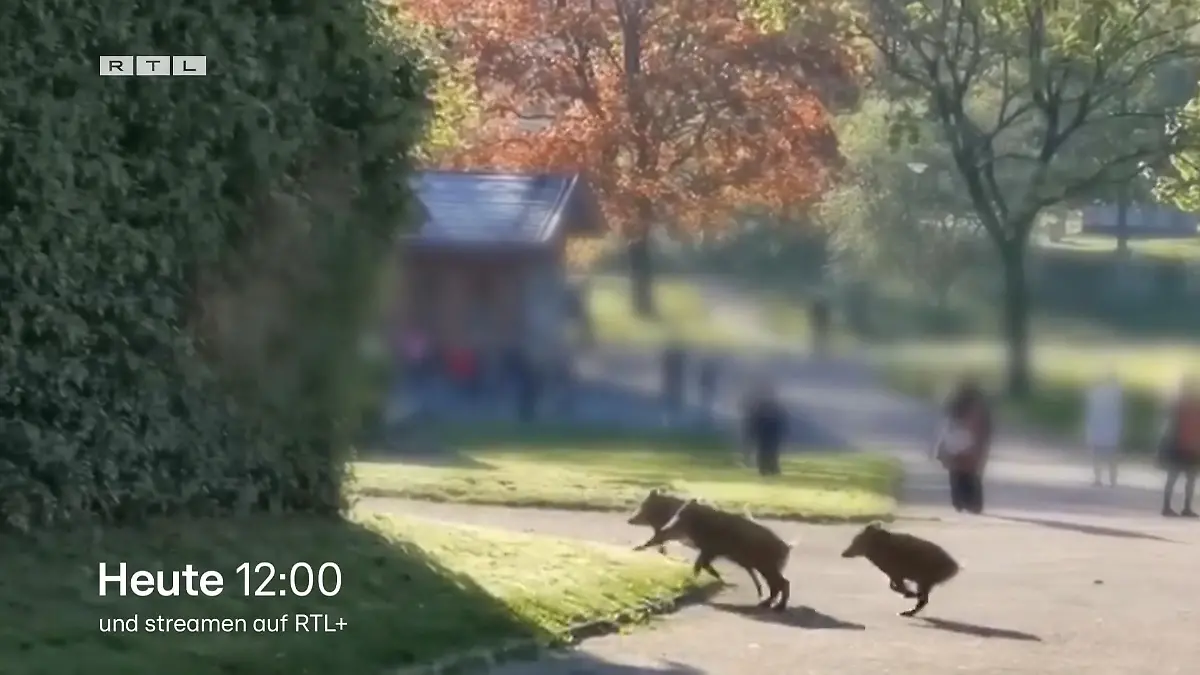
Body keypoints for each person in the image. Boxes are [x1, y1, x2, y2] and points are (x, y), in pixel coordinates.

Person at [933, 378, 993, 514]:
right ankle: (973, 503)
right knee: (972, 476)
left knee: (956, 474)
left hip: (956, 446)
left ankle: (959, 501)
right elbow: (985, 429)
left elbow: (947, 425)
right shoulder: (979, 407)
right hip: (972, 447)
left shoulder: (954, 406)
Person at [1157, 378, 1200, 517]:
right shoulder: (1182, 404)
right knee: (1183, 478)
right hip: (1184, 446)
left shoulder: (1179, 404)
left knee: (1180, 478)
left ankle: (1173, 507)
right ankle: (1178, 507)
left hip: (1184, 446)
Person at [1083, 371, 1124, 487]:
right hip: (1111, 428)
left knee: (1097, 455)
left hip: (1098, 427)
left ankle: (1098, 478)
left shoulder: (1095, 394)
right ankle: (1112, 479)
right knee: (1112, 455)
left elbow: (1090, 414)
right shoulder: (1115, 394)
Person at [741, 381, 788, 476]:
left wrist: (750, 435)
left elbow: (753, 422)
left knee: (766, 452)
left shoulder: (759, 407)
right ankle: (771, 469)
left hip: (765, 434)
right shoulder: (773, 407)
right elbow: (781, 421)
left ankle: (767, 469)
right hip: (769, 434)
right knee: (770, 452)